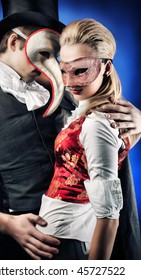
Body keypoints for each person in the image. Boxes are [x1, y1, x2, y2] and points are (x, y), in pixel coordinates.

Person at [0, 1, 141, 260]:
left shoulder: (66, 82)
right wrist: (7, 224)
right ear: (14, 42)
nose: (57, 69)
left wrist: (136, 122)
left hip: (96, 237)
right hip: (31, 249)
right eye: (46, 54)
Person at [35, 18, 141, 260]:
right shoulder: (88, 113)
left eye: (81, 70)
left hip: (68, 244)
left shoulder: (96, 124)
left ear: (106, 67)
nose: (70, 81)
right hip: (57, 241)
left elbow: (109, 216)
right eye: (64, 70)